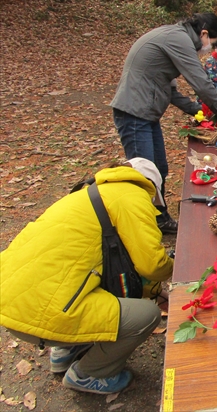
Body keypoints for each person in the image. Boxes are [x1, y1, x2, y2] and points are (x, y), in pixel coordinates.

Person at [0, 158, 174, 395]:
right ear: (151, 185)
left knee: (84, 278)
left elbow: (118, 264)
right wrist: (177, 270)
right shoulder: (133, 196)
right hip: (43, 314)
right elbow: (151, 265)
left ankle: (65, 349)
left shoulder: (88, 193)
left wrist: (156, 291)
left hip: (13, 301)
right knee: (146, 316)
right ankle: (89, 374)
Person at [110, 12, 217, 235]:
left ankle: (160, 218)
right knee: (143, 175)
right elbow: (200, 82)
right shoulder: (180, 40)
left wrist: (199, 111)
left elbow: (170, 91)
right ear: (204, 33)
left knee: (159, 169)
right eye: (211, 43)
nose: (209, 50)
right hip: (135, 112)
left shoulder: (176, 36)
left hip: (146, 113)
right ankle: (141, 230)